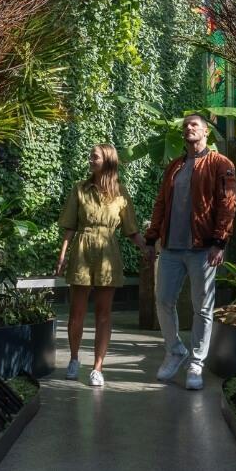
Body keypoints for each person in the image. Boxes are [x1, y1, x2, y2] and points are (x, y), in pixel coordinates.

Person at [145, 114, 236, 390]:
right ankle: (175, 351)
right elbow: (161, 203)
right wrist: (151, 239)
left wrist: (220, 242)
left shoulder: (221, 164)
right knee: (163, 300)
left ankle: (196, 362)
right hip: (171, 248)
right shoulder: (174, 166)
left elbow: (228, 203)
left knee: (203, 308)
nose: (188, 128)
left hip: (203, 249)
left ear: (206, 132)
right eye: (185, 125)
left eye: (194, 125)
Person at [55, 144, 152, 387]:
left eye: (94, 157)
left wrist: (146, 248)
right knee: (76, 313)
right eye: (90, 156)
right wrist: (62, 255)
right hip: (82, 249)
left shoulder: (121, 193)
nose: (90, 160)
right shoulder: (80, 189)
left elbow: (131, 230)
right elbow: (69, 226)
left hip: (108, 252)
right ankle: (74, 359)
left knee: (104, 315)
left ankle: (98, 367)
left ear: (107, 161)